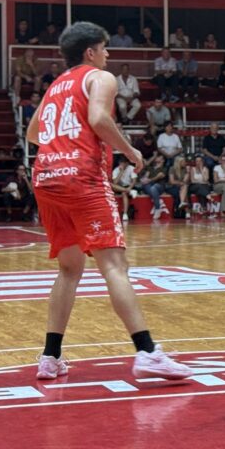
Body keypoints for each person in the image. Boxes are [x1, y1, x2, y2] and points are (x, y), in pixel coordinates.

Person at [25, 21, 191, 381]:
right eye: (104, 48)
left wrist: (61, 147)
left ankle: (50, 357)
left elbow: (33, 133)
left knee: (69, 269)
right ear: (90, 52)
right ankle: (147, 352)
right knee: (115, 266)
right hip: (81, 177)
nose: (108, 54)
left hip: (46, 178)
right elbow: (99, 118)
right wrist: (129, 150)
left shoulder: (55, 85)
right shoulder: (100, 78)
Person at [139, 152, 170, 220]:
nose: (157, 158)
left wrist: (150, 180)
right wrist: (145, 179)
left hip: (159, 186)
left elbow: (159, 177)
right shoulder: (151, 168)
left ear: (163, 160)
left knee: (154, 188)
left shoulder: (164, 168)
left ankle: (157, 208)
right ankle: (158, 204)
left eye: (159, 157)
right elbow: (146, 176)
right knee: (147, 185)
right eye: (157, 157)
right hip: (149, 186)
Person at [111, 155, 138, 222]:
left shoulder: (132, 168)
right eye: (120, 163)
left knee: (124, 193)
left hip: (129, 186)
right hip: (119, 187)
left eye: (123, 163)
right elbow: (115, 182)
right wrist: (121, 171)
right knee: (111, 185)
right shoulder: (116, 170)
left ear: (127, 163)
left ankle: (125, 214)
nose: (121, 164)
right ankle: (130, 191)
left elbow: (134, 180)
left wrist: (129, 188)